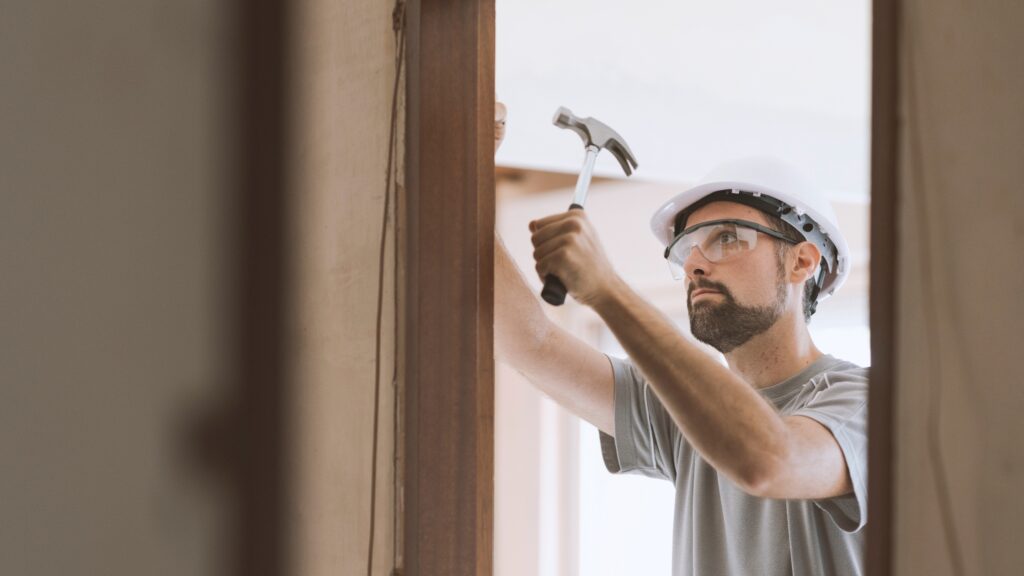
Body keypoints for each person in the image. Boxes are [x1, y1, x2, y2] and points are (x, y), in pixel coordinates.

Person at [494, 103, 869, 575]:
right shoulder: (685, 405)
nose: (694, 263)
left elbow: (768, 459)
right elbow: (530, 344)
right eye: (686, 248)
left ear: (802, 262)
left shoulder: (864, 406)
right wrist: (463, 171)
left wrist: (607, 289)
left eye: (728, 238)